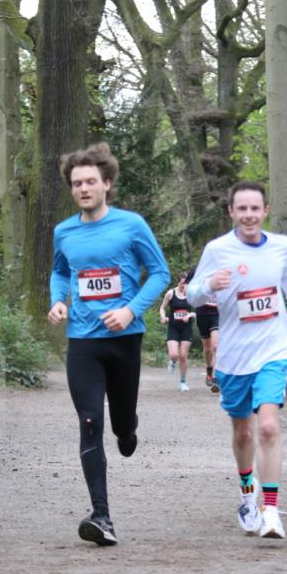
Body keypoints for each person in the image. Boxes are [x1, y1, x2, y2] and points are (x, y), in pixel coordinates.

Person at [48, 142, 170, 547]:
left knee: (120, 421)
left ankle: (128, 429)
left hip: (124, 340)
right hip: (82, 341)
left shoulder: (131, 225)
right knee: (89, 422)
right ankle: (102, 516)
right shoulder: (64, 232)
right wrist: (58, 301)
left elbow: (159, 272)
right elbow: (61, 273)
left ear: (107, 183)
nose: (83, 188)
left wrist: (131, 312)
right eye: (76, 183)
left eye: (90, 181)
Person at [187, 180, 287, 540]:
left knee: (268, 426)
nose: (249, 215)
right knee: (243, 430)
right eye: (242, 209)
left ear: (265, 211)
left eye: (255, 208)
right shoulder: (217, 250)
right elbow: (191, 295)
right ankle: (246, 492)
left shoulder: (281, 246)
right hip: (235, 358)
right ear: (231, 212)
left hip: (273, 348)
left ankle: (270, 511)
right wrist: (209, 284)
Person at [159, 272, 195, 392]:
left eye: (186, 284)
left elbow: (198, 312)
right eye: (182, 283)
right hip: (173, 326)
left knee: (183, 356)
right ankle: (172, 361)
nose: (184, 286)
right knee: (174, 354)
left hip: (186, 327)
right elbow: (162, 308)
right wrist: (163, 317)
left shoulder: (191, 295)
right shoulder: (171, 293)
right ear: (178, 282)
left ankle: (183, 382)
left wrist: (189, 315)